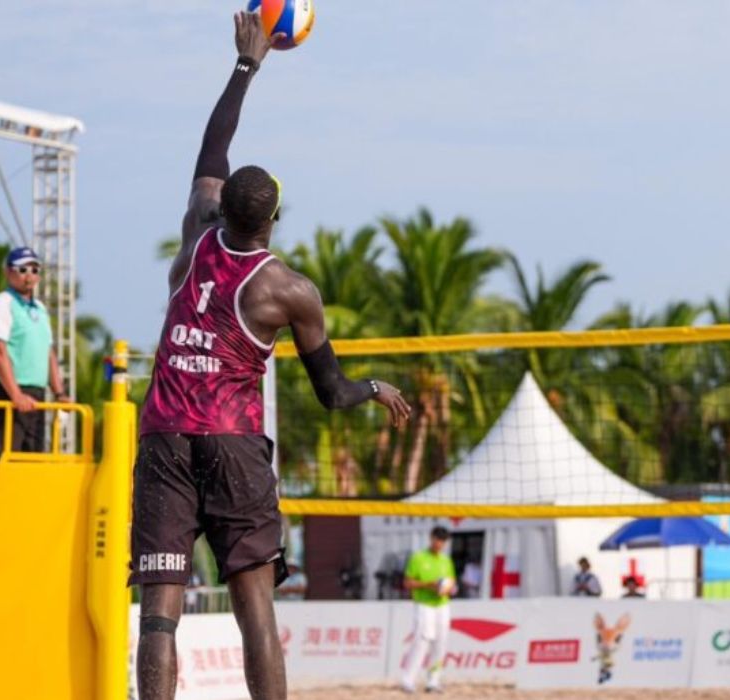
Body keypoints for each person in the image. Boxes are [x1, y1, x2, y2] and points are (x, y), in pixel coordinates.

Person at [130, 13, 410, 700]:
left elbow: (210, 150)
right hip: (231, 446)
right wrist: (375, 387)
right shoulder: (289, 292)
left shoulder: (197, 236)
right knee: (254, 606)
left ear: (222, 209)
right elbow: (332, 391)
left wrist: (246, 66)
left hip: (165, 435)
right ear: (274, 219)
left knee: (160, 612)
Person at [0, 246, 64, 453]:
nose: (29, 276)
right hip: (10, 392)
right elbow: (0, 352)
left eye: (35, 270)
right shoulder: (4, 303)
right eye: (23, 269)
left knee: (34, 456)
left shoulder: (40, 308)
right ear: (8, 272)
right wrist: (16, 395)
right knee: (8, 455)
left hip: (37, 395)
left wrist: (59, 392)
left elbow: (48, 352)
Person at [400, 526, 457, 693]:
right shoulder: (418, 558)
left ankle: (433, 681)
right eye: (437, 539)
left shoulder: (446, 560)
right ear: (431, 538)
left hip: (442, 604)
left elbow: (452, 582)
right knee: (421, 641)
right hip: (424, 604)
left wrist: (450, 588)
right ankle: (408, 680)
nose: (439, 543)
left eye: (443, 541)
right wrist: (429, 585)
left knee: (441, 641)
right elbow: (407, 583)